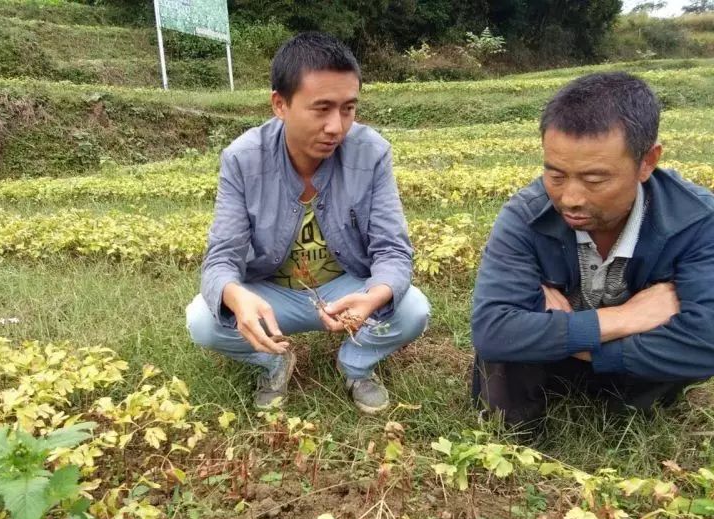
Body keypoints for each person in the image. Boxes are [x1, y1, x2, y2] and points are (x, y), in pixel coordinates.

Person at [186, 32, 430, 413]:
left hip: (345, 291)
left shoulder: (372, 152)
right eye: (322, 109)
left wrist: (372, 297)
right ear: (280, 104)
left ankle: (355, 364)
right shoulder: (243, 159)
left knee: (412, 309)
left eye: (348, 108)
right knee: (203, 320)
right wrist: (236, 297)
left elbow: (392, 250)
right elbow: (221, 258)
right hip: (272, 296)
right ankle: (274, 360)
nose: (337, 126)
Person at [471, 71, 714, 429]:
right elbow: (492, 331)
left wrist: (567, 334)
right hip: (552, 364)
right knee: (503, 369)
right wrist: (622, 320)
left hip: (628, 367)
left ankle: (624, 412)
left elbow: (706, 342)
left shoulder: (695, 220)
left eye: (594, 179)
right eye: (554, 175)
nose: (570, 198)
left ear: (647, 161)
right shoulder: (525, 215)